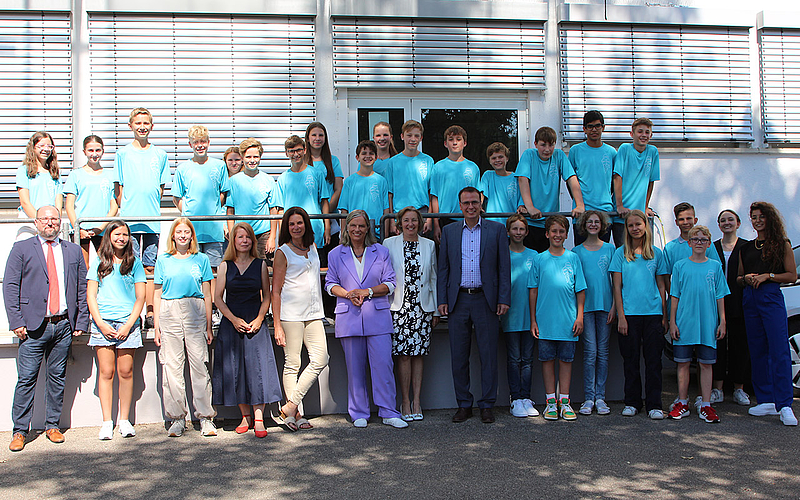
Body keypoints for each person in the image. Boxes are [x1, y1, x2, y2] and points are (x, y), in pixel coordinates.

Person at [3, 206, 88, 452]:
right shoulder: (21, 249)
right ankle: (20, 430)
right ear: (36, 222)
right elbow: (10, 287)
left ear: (60, 222)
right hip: (31, 328)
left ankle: (53, 425)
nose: (50, 223)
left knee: (57, 378)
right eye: (45, 219)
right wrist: (16, 321)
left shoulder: (72, 250)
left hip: (62, 325)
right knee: (26, 379)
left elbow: (81, 287)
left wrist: (80, 321)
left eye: (54, 219)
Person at [324, 210, 408, 429]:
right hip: (349, 317)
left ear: (368, 228)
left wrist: (367, 292)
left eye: (361, 226)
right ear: (347, 228)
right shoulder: (335, 254)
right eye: (353, 226)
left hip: (378, 317)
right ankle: (358, 412)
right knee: (355, 368)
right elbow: (329, 284)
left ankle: (389, 411)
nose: (357, 230)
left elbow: (390, 283)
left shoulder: (380, 251)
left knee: (383, 366)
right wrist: (349, 293)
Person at [438, 187, 511, 424]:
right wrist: (442, 299)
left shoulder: (497, 230)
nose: (470, 207)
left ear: (481, 204)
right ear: (460, 205)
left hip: (486, 300)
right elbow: (444, 269)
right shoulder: (449, 232)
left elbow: (504, 268)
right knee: (459, 356)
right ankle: (464, 404)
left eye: (474, 202)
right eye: (466, 203)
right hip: (458, 300)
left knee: (488, 355)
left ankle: (487, 404)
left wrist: (503, 298)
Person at [212, 222, 282, 438]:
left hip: (255, 323)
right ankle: (245, 417)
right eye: (240, 237)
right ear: (233, 241)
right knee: (236, 369)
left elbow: (267, 296)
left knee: (256, 369)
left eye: (248, 237)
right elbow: (217, 298)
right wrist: (233, 320)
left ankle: (259, 417)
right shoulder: (224, 266)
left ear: (252, 241)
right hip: (233, 323)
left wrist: (260, 319)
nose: (244, 240)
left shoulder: (260, 264)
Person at [153, 218, 217, 437]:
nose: (182, 235)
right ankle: (177, 418)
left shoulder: (202, 259)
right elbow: (157, 292)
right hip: (169, 311)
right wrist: (156, 325)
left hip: (195, 310)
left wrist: (208, 325)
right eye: (178, 231)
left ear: (191, 235)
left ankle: (206, 418)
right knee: (172, 366)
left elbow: (208, 294)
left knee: (199, 365)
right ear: (173, 235)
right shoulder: (164, 260)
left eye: (186, 232)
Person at [737, 201, 798, 426]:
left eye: (761, 216)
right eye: (754, 217)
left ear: (769, 218)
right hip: (750, 298)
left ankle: (784, 404)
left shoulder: (781, 244)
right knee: (757, 349)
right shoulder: (746, 248)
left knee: (779, 349)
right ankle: (765, 400)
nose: (757, 220)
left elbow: (791, 275)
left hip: (771, 297)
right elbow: (738, 278)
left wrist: (768, 276)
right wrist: (748, 279)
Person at [86, 220, 146, 440]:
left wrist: (129, 324)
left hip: (127, 324)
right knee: (106, 372)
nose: (121, 238)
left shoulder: (135, 263)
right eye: (117, 234)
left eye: (125, 234)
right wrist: (100, 323)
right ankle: (106, 422)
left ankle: (124, 420)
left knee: (126, 372)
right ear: (109, 236)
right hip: (103, 323)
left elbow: (141, 297)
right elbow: (91, 295)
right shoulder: (99, 262)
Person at [272, 207, 329, 431]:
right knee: (292, 364)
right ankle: (296, 414)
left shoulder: (313, 247)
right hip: (291, 315)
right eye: (292, 224)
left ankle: (290, 405)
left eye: (300, 223)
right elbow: (275, 291)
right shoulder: (282, 252)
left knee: (321, 358)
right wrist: (277, 324)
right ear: (287, 227)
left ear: (306, 224)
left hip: (314, 313)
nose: (296, 227)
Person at [114, 107, 171, 329]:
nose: (142, 127)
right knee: (129, 265)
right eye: (138, 123)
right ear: (130, 126)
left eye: (146, 123)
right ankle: (131, 310)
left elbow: (161, 187)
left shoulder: (160, 154)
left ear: (152, 126)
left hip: (151, 221)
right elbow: (118, 187)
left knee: (149, 267)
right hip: (129, 221)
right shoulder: (123, 154)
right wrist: (125, 208)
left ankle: (148, 310)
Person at [610, 210, 669, 419]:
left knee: (654, 361)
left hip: (653, 314)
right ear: (626, 229)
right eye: (631, 225)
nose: (635, 228)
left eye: (639, 224)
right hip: (630, 315)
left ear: (646, 226)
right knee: (630, 360)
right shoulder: (620, 254)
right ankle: (632, 402)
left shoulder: (656, 254)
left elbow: (662, 286)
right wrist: (622, 317)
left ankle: (654, 404)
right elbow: (617, 288)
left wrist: (664, 315)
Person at [668, 225, 729, 423]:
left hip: (708, 322)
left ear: (709, 243)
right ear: (689, 242)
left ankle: (706, 405)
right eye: (695, 239)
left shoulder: (714, 266)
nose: (699, 243)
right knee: (683, 363)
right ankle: (683, 402)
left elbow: (720, 296)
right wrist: (672, 321)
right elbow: (675, 295)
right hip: (685, 322)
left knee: (706, 364)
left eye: (703, 240)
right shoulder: (680, 266)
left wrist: (722, 321)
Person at [529, 215, 586, 421]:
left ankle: (565, 401)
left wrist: (579, 317)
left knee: (566, 360)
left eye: (562, 231)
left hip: (568, 322)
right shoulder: (539, 259)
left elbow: (580, 290)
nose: (558, 235)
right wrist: (533, 320)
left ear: (567, 234)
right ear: (546, 234)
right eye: (554, 231)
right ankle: (550, 402)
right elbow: (533, 291)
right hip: (545, 322)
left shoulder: (573, 258)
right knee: (546, 360)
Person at [384, 207, 439, 421]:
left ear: (420, 222)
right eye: (406, 220)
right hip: (399, 308)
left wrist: (434, 309)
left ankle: (417, 400)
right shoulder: (389, 244)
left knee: (419, 355)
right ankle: (405, 401)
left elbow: (433, 278)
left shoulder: (429, 245)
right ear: (399, 223)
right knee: (403, 355)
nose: (410, 224)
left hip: (421, 308)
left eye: (414, 220)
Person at [573, 210, 616, 416]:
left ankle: (601, 397)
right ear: (583, 225)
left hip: (606, 306)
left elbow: (617, 282)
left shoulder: (610, 249)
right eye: (589, 222)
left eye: (596, 222)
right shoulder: (577, 252)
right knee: (590, 353)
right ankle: (589, 398)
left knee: (603, 352)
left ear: (602, 225)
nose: (592, 225)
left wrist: (615, 306)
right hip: (586, 308)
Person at [172, 125, 231, 273]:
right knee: (192, 269)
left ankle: (211, 297)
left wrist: (216, 212)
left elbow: (223, 192)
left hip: (214, 229)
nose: (200, 145)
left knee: (213, 271)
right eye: (196, 142)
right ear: (190, 144)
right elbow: (176, 197)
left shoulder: (219, 166)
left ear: (208, 142)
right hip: (191, 230)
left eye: (203, 141)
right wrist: (187, 212)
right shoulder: (183, 168)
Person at [516, 126, 584, 252]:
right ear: (535, 144)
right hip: (530, 222)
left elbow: (571, 178)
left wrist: (579, 204)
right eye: (543, 145)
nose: (547, 149)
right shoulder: (529, 155)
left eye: (551, 145)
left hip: (549, 222)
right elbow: (522, 179)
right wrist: (530, 207)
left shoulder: (559, 155)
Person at [712, 209, 751, 406]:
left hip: (740, 303)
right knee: (718, 346)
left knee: (739, 346)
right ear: (719, 225)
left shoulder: (747, 247)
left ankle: (739, 389)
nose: (726, 223)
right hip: (716, 304)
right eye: (722, 220)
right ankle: (717, 389)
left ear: (738, 223)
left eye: (730, 219)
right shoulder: (712, 247)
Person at [502, 214, 538, 418]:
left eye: (521, 229)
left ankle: (526, 397)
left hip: (530, 315)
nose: (518, 232)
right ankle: (515, 398)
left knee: (528, 359)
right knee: (514, 358)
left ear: (527, 232)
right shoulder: (503, 254)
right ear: (508, 231)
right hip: (511, 315)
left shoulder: (535, 256)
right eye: (514, 229)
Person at [64, 135, 118, 267]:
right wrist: (78, 228)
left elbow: (114, 207)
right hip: (81, 229)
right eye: (90, 150)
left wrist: (100, 228)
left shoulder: (110, 175)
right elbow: (69, 206)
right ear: (84, 152)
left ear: (103, 151)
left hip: (103, 230)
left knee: (106, 264)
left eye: (98, 150)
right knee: (83, 267)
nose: (94, 154)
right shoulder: (75, 175)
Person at [226, 138, 281, 260]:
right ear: (242, 157)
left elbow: (273, 210)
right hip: (242, 233)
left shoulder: (268, 180)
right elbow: (230, 209)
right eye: (248, 157)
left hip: (263, 234)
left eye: (255, 157)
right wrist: (232, 235)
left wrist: (272, 237)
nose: (252, 160)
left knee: (266, 270)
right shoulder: (234, 181)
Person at [567, 111, 616, 245]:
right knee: (582, 255)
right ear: (584, 129)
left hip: (605, 212)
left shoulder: (611, 152)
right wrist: (578, 203)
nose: (594, 130)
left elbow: (615, 182)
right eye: (590, 126)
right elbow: (570, 180)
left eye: (597, 126)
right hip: (582, 214)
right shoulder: (575, 151)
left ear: (603, 127)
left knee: (603, 255)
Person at [611, 118, 659, 246]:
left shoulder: (653, 152)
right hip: (622, 216)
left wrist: (645, 206)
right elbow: (617, 176)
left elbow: (651, 181)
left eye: (647, 132)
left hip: (640, 216)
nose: (644, 135)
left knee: (640, 253)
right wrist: (619, 205)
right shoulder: (625, 149)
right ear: (632, 134)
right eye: (640, 132)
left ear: (651, 135)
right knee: (623, 251)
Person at [277, 135, 330, 250]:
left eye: (298, 150)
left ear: (305, 150)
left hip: (314, 228)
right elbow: (280, 209)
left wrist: (327, 228)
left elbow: (324, 201)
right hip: (292, 231)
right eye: (291, 151)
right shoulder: (283, 178)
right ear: (287, 153)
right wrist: (282, 233)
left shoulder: (317, 173)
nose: (296, 154)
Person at [429, 125, 481, 241]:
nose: (455, 143)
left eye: (458, 139)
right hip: (445, 218)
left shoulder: (473, 167)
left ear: (465, 143)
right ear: (445, 144)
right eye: (451, 139)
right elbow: (434, 197)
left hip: (468, 217)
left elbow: (479, 194)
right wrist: (436, 225)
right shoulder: (438, 167)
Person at [386, 120, 434, 236]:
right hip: (400, 214)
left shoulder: (428, 161)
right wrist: (392, 220)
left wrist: (430, 218)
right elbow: (389, 194)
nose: (413, 139)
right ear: (402, 136)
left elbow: (431, 193)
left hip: (422, 212)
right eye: (409, 135)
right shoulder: (393, 162)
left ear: (421, 138)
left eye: (416, 136)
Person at [338, 140, 390, 237]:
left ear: (376, 157)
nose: (368, 156)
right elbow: (344, 210)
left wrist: (385, 234)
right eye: (364, 153)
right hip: (354, 232)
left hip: (376, 232)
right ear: (357, 157)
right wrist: (344, 233)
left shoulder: (381, 181)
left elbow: (386, 210)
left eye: (371, 153)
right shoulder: (349, 181)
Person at [305, 122, 342, 249]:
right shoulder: (302, 161)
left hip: (330, 217)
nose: (317, 138)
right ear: (308, 138)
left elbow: (338, 189)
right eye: (314, 135)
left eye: (321, 135)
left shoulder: (333, 161)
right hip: (309, 218)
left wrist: (326, 212)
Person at [16, 131, 63, 219]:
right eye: (41, 146)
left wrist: (55, 220)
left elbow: (58, 204)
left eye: (49, 146)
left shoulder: (55, 173)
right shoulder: (24, 171)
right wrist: (39, 221)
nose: (46, 149)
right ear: (33, 148)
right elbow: (25, 202)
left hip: (50, 222)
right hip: (30, 219)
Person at [479, 142, 520, 224]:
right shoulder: (488, 175)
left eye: (500, 157)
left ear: (507, 158)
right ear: (489, 161)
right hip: (492, 222)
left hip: (512, 223)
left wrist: (521, 206)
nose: (497, 160)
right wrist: (479, 205)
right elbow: (481, 193)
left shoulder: (516, 178)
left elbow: (522, 197)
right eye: (493, 158)